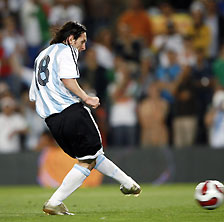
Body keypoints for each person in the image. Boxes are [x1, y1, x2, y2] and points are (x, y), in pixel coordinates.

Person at [29, 21, 141, 216]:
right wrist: (86, 97)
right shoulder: (66, 50)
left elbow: (33, 95)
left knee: (91, 156)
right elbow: (67, 79)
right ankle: (55, 201)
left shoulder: (41, 56)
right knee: (88, 159)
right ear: (71, 39)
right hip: (71, 112)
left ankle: (128, 183)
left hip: (52, 121)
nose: (84, 47)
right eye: (82, 41)